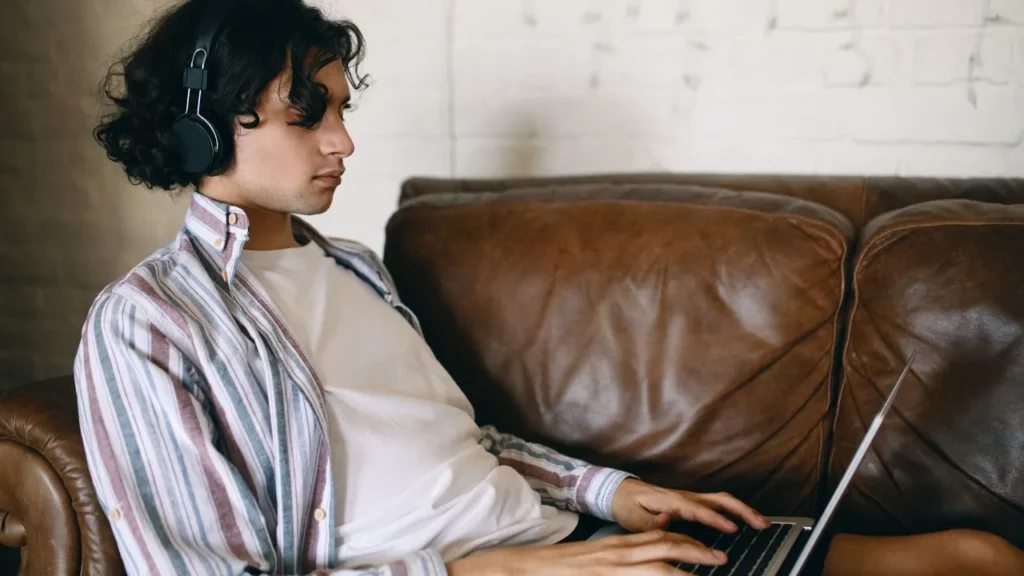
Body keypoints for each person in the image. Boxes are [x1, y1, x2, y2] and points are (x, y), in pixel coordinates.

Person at [76, 0, 1024, 574]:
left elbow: (461, 444)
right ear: (207, 128)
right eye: (308, 111)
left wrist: (616, 496)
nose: (343, 141)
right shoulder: (149, 326)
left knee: (976, 557)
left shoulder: (353, 267)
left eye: (343, 110)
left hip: (565, 543)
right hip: (508, 570)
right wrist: (517, 572)